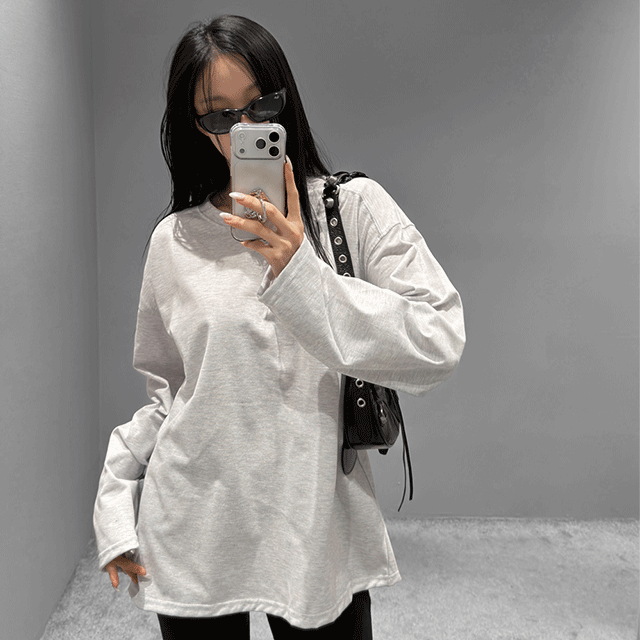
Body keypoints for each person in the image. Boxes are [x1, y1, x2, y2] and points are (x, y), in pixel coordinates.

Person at [92, 14, 465, 640]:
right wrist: (114, 505)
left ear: (284, 98)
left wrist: (299, 272)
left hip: (315, 527)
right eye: (219, 116)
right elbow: (169, 399)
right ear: (195, 126)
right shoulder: (175, 240)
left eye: (260, 105)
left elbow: (438, 341)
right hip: (194, 526)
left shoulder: (351, 209)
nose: (245, 129)